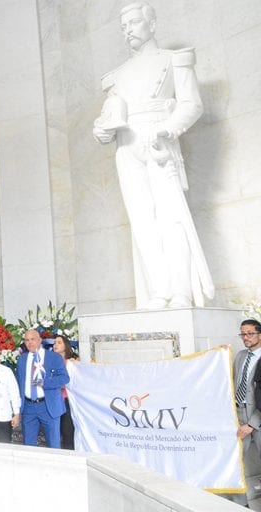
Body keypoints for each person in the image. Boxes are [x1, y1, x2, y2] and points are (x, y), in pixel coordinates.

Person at [92, 1, 213, 310]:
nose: (128, 30)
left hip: (158, 139)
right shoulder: (117, 76)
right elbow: (109, 115)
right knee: (142, 220)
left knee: (171, 217)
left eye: (133, 23)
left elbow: (191, 104)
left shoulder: (174, 60)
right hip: (126, 145)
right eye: (123, 26)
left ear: (152, 24)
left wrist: (168, 129)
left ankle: (181, 292)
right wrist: (102, 130)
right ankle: (159, 291)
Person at [16, 329, 69, 448]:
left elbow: (64, 378)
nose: (30, 342)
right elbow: (18, 384)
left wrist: (45, 383)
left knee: (54, 446)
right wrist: (17, 408)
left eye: (33, 339)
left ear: (40, 340)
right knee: (28, 447)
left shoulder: (54, 357)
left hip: (48, 406)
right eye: (27, 340)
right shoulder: (22, 359)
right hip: (28, 408)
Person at [232, 319, 261, 507]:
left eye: (250, 333)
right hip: (239, 413)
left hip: (258, 415)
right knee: (235, 461)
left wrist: (252, 424)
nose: (245, 337)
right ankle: (240, 505)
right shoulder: (241, 356)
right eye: (243, 334)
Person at [53, 334, 78, 450]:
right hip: (53, 401)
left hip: (67, 402)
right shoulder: (50, 362)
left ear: (66, 346)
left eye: (59, 342)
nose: (55, 345)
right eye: (54, 343)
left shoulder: (71, 363)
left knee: (68, 433)